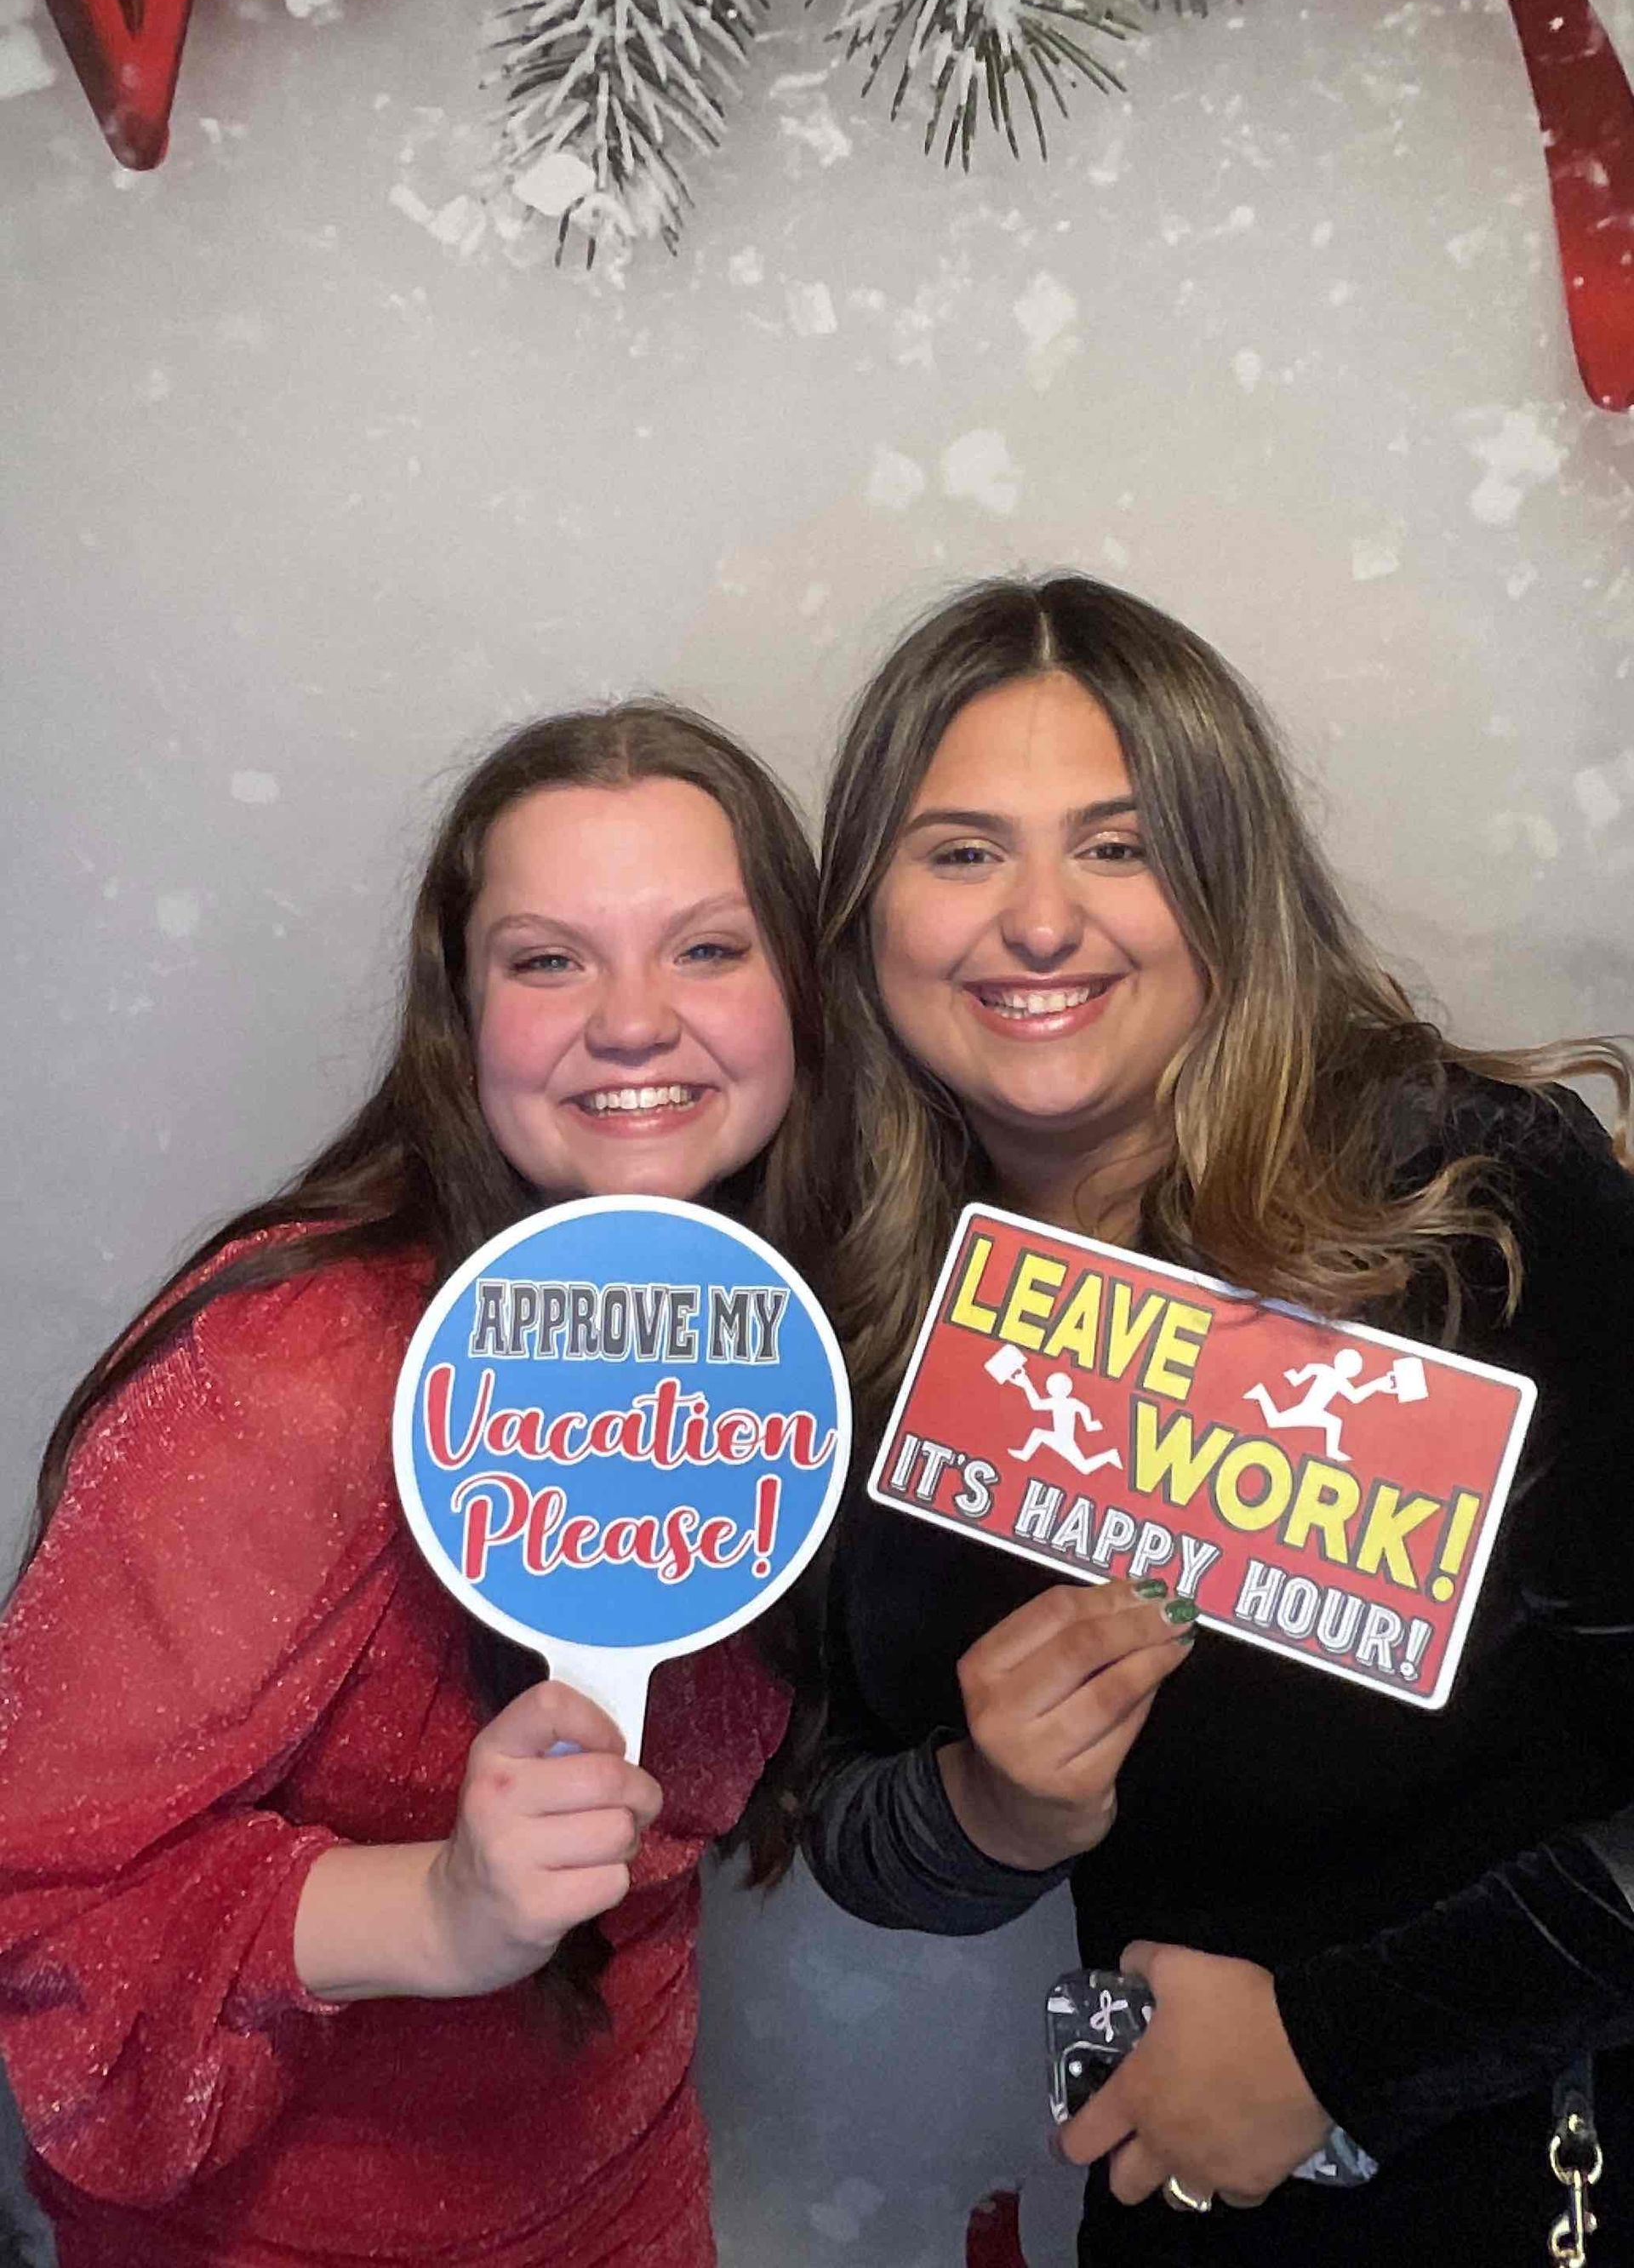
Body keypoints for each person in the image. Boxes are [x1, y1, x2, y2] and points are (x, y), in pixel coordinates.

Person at [802, 574, 1634, 2263]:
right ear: (867, 910)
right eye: (961, 850)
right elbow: (841, 1810)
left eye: (1118, 845)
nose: (1040, 921)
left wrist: (1343, 2046)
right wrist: (984, 1806)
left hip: (1543, 2185)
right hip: (1180, 2200)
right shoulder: (866, 1307)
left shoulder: (1482, 1208)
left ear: (1231, 879)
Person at [0, 701, 825, 2268]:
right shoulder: (297, 1369)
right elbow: (35, 1897)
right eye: (549, 959)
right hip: (289, 2238)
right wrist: (443, 1910)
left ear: (803, 993)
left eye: (708, 949)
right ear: (464, 1010)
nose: (636, 1020)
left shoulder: (795, 1342)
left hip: (628, 2194)